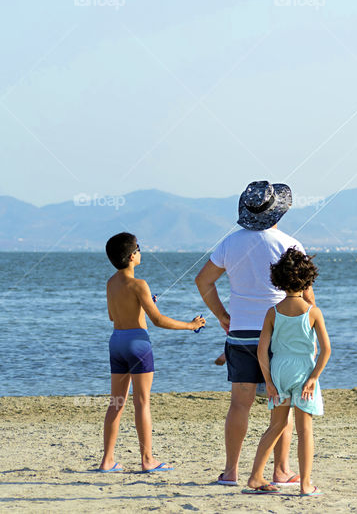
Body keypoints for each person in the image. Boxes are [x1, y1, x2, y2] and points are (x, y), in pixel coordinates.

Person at [194, 181, 314, 487]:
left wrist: (222, 315)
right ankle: (281, 470)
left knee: (239, 404)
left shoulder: (230, 243)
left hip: (241, 333)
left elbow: (203, 282)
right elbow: (306, 298)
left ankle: (231, 472)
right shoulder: (290, 244)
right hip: (280, 333)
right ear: (277, 212)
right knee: (281, 406)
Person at [98, 232, 205, 473]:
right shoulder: (139, 284)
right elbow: (158, 321)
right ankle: (147, 460)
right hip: (138, 343)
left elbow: (113, 316)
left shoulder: (111, 282)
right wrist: (191, 325)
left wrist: (144, 304)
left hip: (116, 342)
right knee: (142, 402)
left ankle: (107, 461)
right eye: (138, 248)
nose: (140, 251)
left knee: (116, 402)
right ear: (131, 255)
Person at [244, 248, 331, 496]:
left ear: (279, 280)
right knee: (305, 431)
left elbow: (262, 351)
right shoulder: (313, 312)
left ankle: (255, 477)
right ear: (308, 279)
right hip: (303, 371)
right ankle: (305, 484)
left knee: (276, 426)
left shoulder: (272, 312)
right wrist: (314, 378)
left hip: (279, 370)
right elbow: (326, 350)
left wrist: (269, 381)